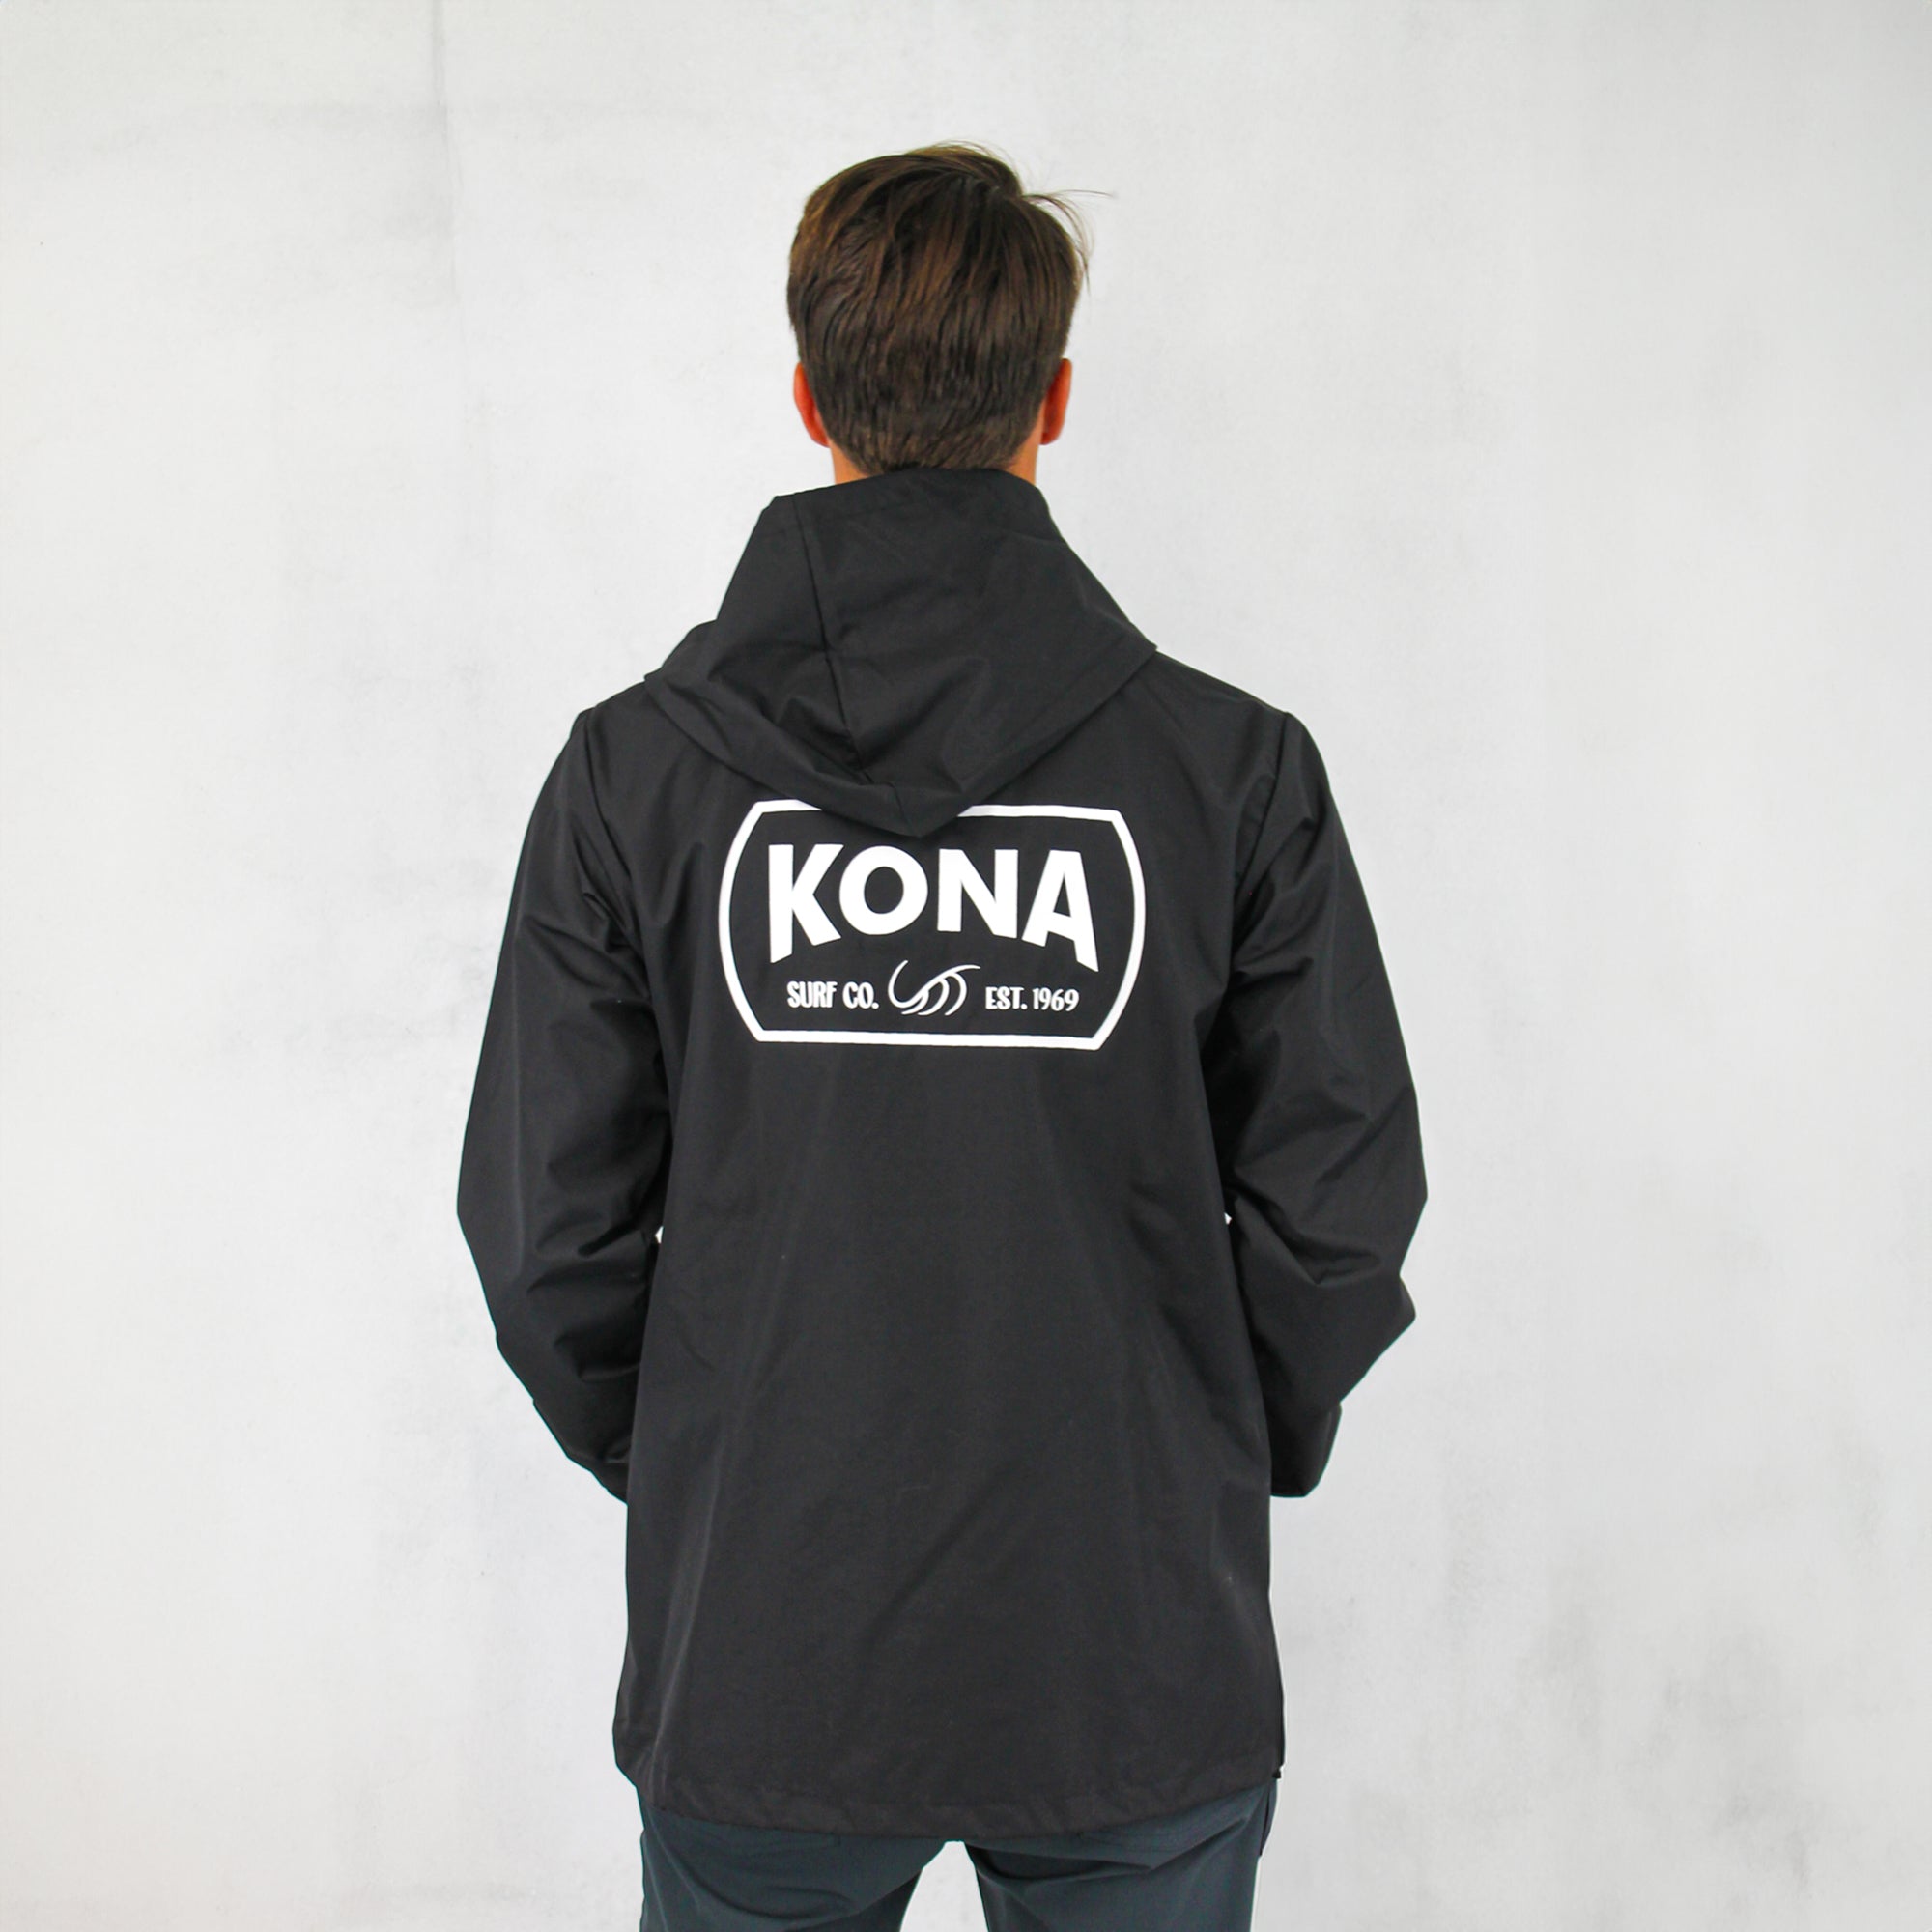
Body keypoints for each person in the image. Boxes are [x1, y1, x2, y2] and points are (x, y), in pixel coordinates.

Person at [456, 142, 1427, 1932]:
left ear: (807, 400)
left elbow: (545, 1237)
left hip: (767, 1660)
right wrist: (1205, 1441)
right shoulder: (1230, 775)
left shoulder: (633, 779)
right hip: (1132, 1655)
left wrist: (719, 1459)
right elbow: (1341, 1211)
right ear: (1052, 400)